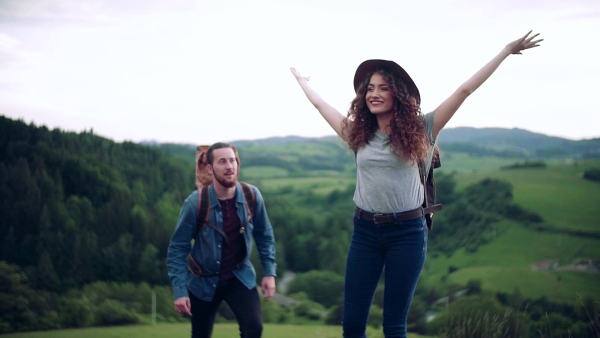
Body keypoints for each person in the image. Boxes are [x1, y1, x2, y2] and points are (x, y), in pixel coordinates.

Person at [290, 31, 542, 337]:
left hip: (407, 234)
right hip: (365, 232)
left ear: (397, 94)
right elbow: (319, 105)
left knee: (394, 326)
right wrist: (303, 81)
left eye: (383, 88)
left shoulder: (423, 129)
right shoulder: (357, 133)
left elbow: (464, 90)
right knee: (353, 323)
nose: (374, 94)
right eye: (370, 88)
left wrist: (505, 51)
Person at [166, 142, 277, 338]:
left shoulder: (251, 195)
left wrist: (269, 272)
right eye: (222, 161)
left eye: (233, 160)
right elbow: (177, 249)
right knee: (201, 334)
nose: (229, 166)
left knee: (254, 329)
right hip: (202, 281)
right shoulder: (195, 203)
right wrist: (180, 290)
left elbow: (264, 235)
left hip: (239, 275)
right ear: (210, 168)